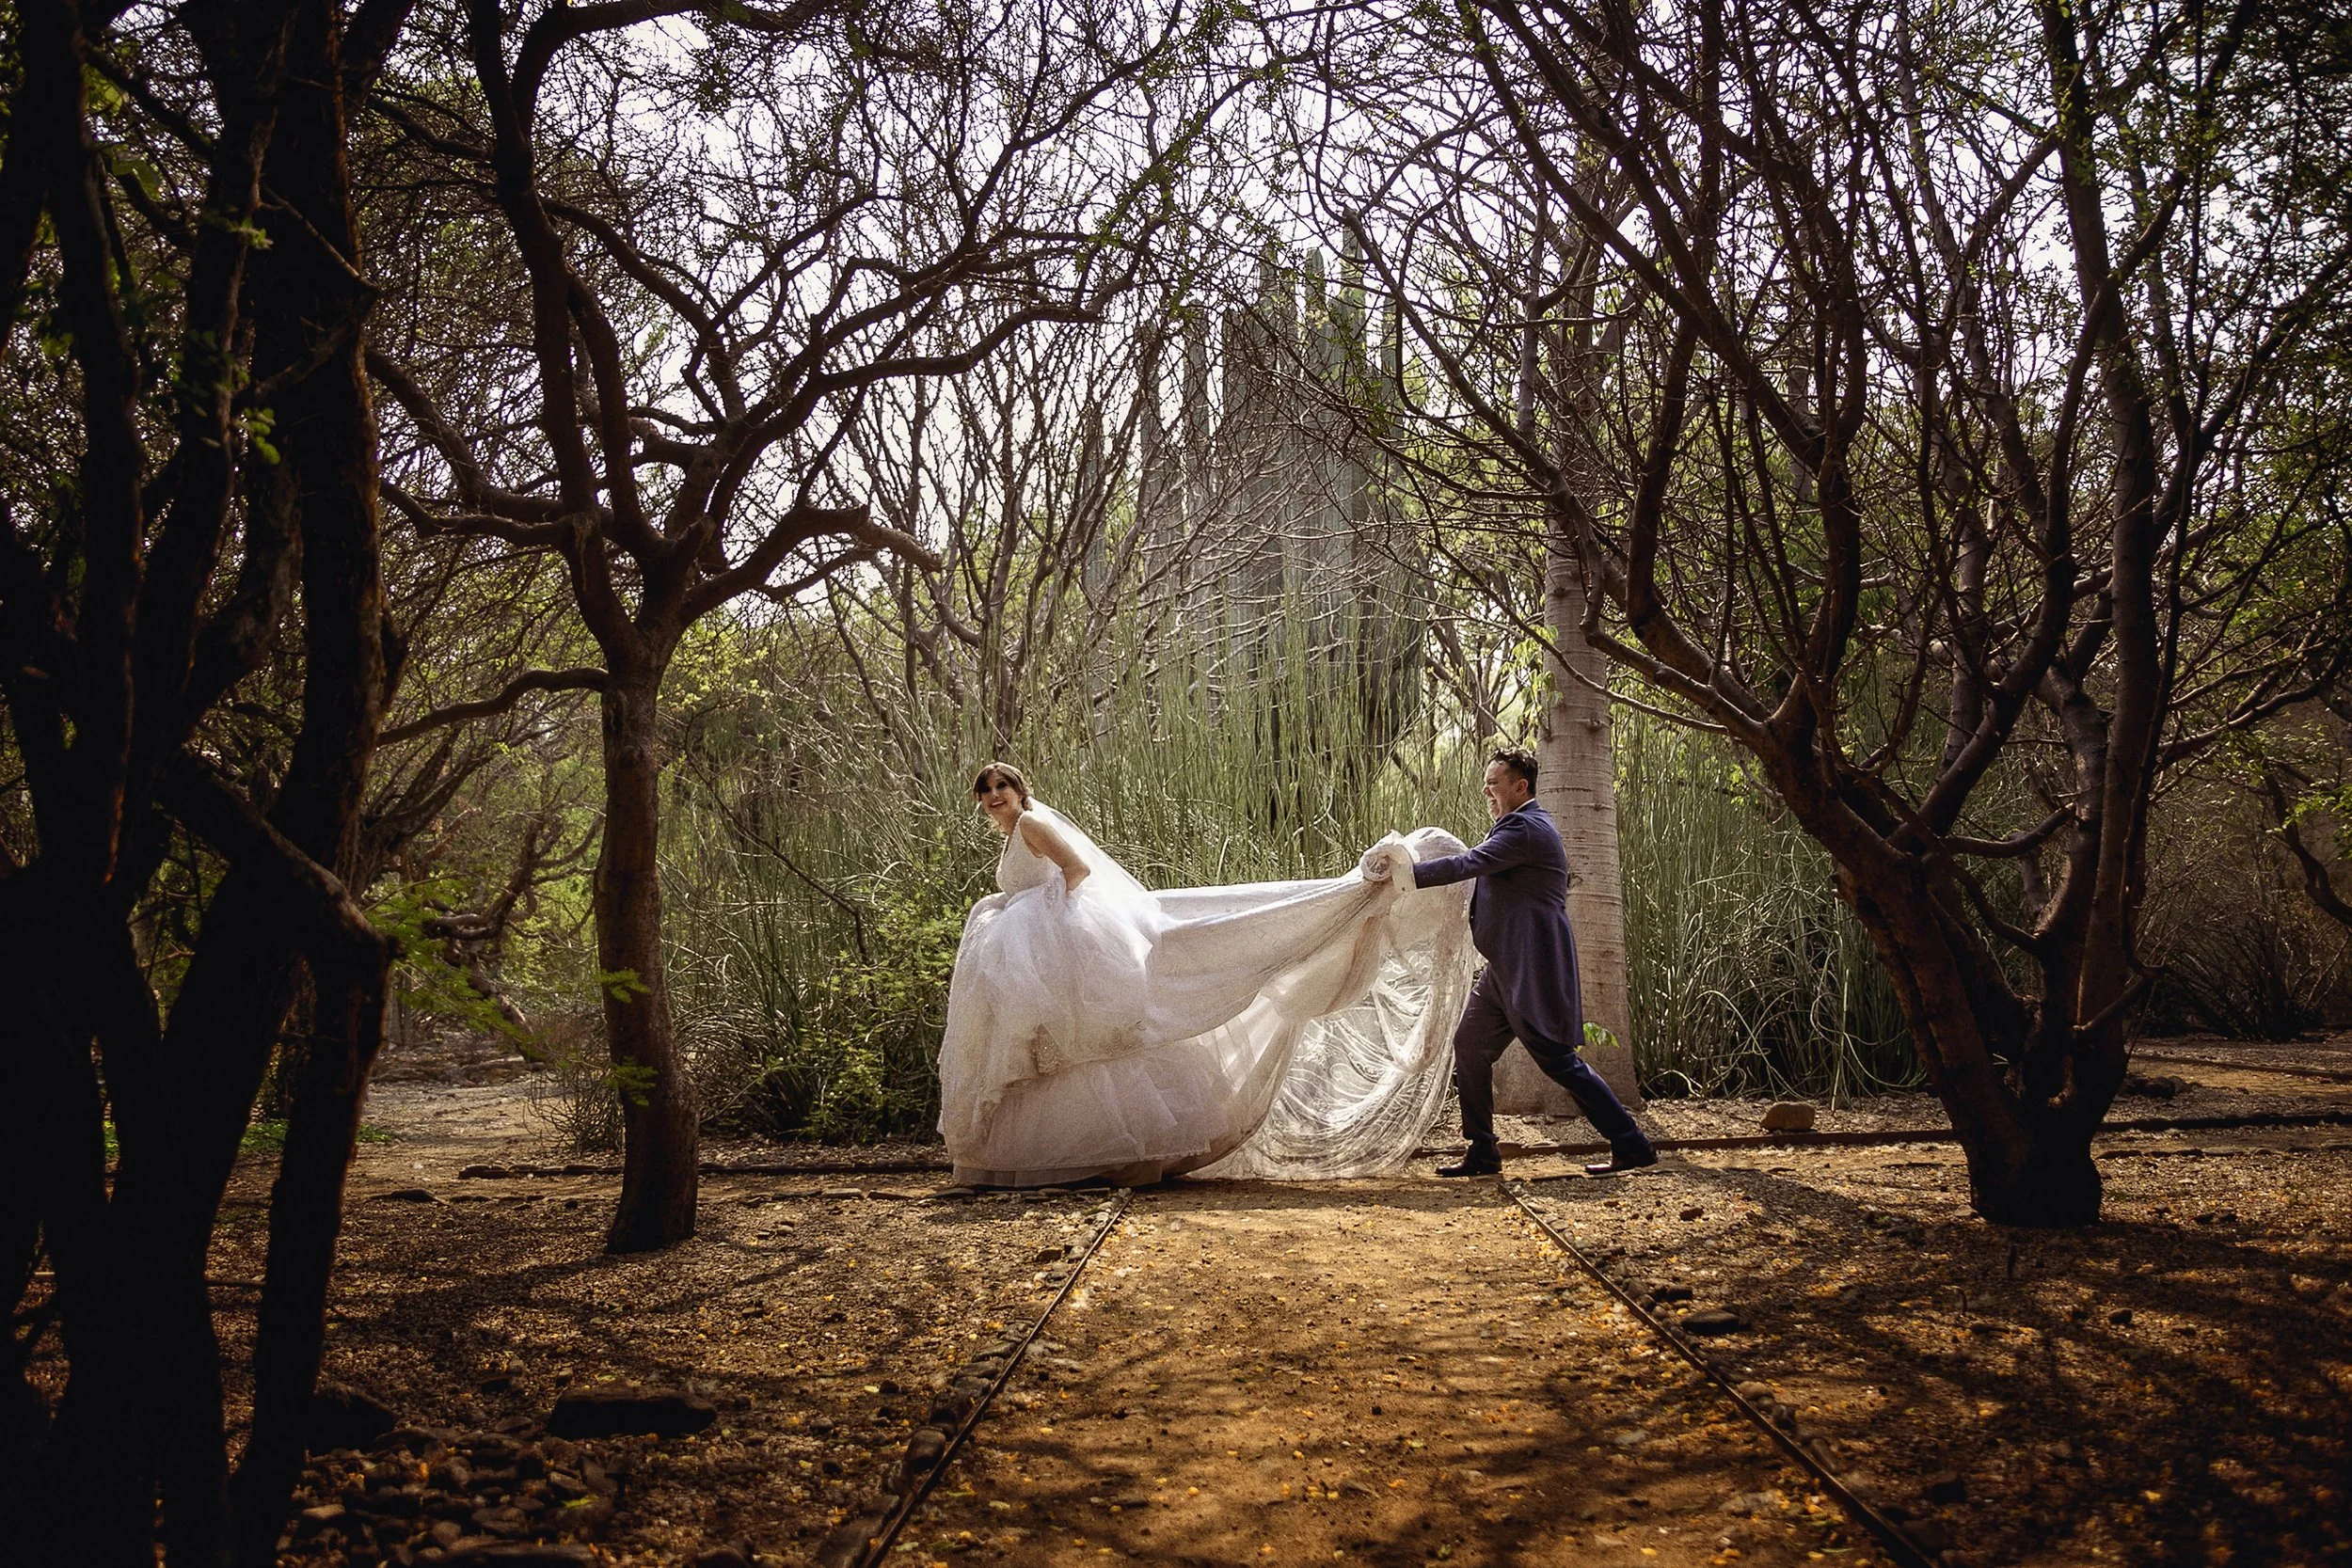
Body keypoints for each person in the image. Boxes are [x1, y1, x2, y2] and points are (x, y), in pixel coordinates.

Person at [935, 762, 1478, 1188]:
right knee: (1062, 1046)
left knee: (1094, 1038)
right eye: (985, 793)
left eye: (1001, 787)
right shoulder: (1014, 835)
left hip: (1053, 942)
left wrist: (1036, 921)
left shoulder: (1032, 823)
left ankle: (1108, 1154)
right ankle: (1086, 1156)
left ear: (1019, 791)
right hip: (1037, 950)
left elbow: (1076, 872)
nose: (993, 798)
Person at [1362, 747, 1655, 1179]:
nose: (1486, 790)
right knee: (1471, 1046)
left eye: (1494, 783)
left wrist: (1406, 876)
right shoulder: (1518, 827)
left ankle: (1631, 1144)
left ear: (1521, 787)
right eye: (1486, 783)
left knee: (1557, 1060)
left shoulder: (1526, 828)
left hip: (1532, 966)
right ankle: (1482, 1151)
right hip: (1504, 968)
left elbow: (1470, 863)